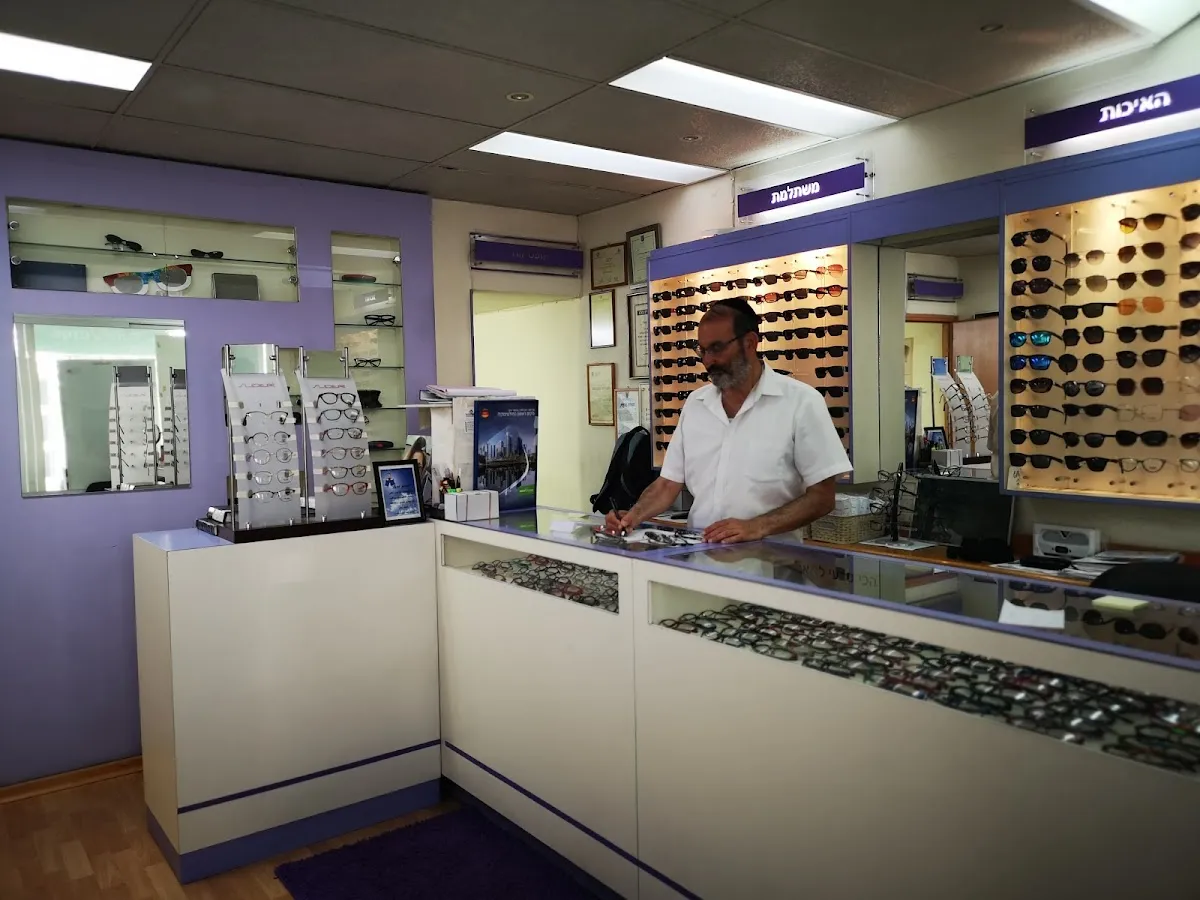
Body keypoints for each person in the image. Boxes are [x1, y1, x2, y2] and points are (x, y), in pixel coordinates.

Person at [605, 297, 851, 543]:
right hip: (698, 554)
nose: (708, 361)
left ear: (750, 343)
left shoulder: (802, 402)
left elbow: (822, 497)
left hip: (773, 560)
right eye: (702, 350)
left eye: (717, 348)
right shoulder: (695, 405)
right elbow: (668, 483)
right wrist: (633, 515)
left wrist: (758, 526)